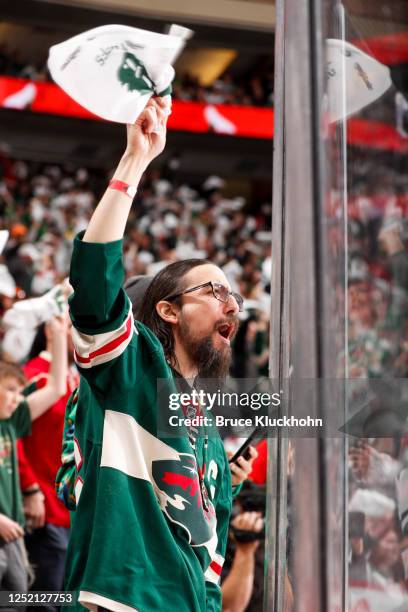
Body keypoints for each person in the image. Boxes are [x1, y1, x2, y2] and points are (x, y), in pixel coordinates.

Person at [65, 95, 256, 612]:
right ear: (168, 312)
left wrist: (221, 480)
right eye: (213, 291)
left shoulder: (210, 430)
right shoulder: (133, 368)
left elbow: (205, 556)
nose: (231, 305)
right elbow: (94, 289)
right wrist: (134, 162)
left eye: (234, 297)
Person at [0, 315, 67, 592]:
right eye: (11, 390)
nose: (18, 398)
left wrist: (60, 335)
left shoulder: (10, 423)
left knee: (17, 598)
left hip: (12, 532)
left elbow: (56, 388)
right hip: (6, 526)